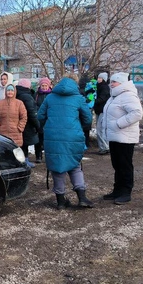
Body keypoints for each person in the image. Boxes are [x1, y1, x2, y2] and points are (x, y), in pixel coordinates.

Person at [37, 75, 94, 209]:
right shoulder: (79, 98)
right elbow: (88, 119)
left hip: (53, 136)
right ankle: (82, 198)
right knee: (75, 166)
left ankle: (61, 201)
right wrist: (79, 126)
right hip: (73, 136)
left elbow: (40, 116)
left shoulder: (50, 97)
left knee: (57, 167)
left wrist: (50, 125)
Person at [99, 72, 143, 205]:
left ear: (122, 83)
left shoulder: (128, 95)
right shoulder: (115, 96)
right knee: (117, 165)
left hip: (125, 137)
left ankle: (126, 192)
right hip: (115, 136)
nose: (111, 84)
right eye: (111, 82)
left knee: (124, 165)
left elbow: (137, 113)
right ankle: (117, 190)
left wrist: (119, 123)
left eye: (115, 82)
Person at [15, 78, 40, 168]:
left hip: (18, 122)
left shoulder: (17, 94)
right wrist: (37, 125)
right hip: (27, 124)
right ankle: (25, 161)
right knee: (25, 143)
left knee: (22, 143)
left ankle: (24, 160)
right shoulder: (27, 97)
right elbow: (31, 112)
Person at [33, 77, 52, 163]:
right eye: (42, 85)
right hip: (39, 119)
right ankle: (38, 156)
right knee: (38, 139)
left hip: (49, 119)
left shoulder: (52, 94)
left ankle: (49, 156)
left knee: (48, 139)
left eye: (45, 85)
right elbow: (34, 105)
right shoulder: (36, 95)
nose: (44, 87)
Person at [94, 72, 111, 155]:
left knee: (99, 129)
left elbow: (102, 98)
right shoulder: (99, 87)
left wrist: (93, 101)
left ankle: (104, 147)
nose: (98, 79)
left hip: (102, 110)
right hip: (99, 110)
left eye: (100, 78)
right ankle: (105, 146)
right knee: (101, 129)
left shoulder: (104, 88)